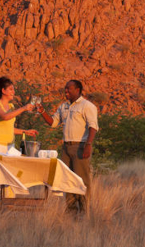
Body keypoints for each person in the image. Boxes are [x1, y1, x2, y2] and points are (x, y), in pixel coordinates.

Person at [37, 80, 98, 213]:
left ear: (78, 90)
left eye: (69, 89)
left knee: (82, 180)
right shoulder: (63, 106)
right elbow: (53, 123)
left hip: (80, 146)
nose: (66, 92)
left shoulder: (87, 106)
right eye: (65, 89)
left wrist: (88, 145)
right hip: (66, 147)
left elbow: (93, 127)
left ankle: (85, 211)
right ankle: (71, 211)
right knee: (67, 179)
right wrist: (42, 112)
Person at [0, 76, 38, 204]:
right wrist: (23, 108)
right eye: (11, 89)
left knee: (11, 177)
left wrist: (25, 131)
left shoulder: (12, 106)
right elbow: (5, 117)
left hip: (9, 146)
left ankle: (9, 206)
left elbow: (9, 128)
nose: (13, 92)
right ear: (3, 90)